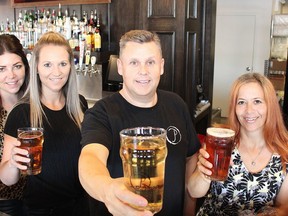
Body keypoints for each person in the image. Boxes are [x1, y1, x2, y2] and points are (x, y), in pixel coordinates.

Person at [78, 29, 201, 216]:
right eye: (134, 62)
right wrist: (107, 189)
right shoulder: (101, 113)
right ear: (120, 67)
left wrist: (189, 209)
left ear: (161, 66)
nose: (143, 71)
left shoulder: (177, 104)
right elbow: (90, 159)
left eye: (150, 62)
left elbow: (191, 156)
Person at [0, 31, 89, 215]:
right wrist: (13, 163)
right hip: (41, 210)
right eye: (48, 64)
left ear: (71, 67)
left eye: (63, 64)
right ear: (37, 68)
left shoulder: (79, 104)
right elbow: (7, 179)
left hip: (81, 206)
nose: (56, 72)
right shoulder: (22, 112)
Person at [188, 72, 288, 215]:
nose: (249, 110)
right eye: (241, 102)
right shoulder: (220, 143)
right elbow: (193, 191)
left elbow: (284, 207)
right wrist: (203, 173)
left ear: (270, 106)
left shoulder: (284, 152)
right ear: (234, 108)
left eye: (257, 101)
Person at [0, 34, 30, 216]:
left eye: (17, 66)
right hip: (5, 203)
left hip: (41, 199)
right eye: (1, 69)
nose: (11, 75)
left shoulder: (37, 104)